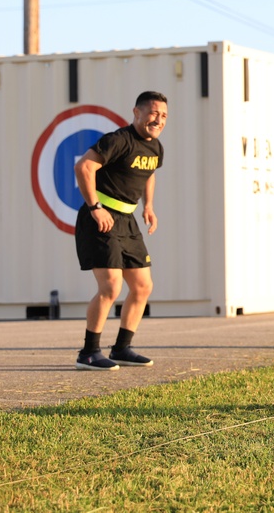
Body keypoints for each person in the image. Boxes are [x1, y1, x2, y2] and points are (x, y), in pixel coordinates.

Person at [73, 91, 168, 371]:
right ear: (136, 113)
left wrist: (148, 206)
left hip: (128, 221)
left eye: (163, 116)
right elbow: (84, 167)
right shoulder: (117, 140)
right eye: (153, 113)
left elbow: (149, 173)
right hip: (100, 218)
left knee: (142, 286)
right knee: (111, 286)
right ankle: (88, 353)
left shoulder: (156, 147)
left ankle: (122, 348)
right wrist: (95, 207)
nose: (158, 119)